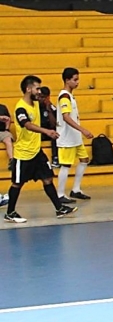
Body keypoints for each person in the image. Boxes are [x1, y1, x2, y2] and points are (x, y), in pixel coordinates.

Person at [3, 76, 77, 223]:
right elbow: (27, 124)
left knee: (48, 178)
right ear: (28, 89)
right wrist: (46, 131)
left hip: (37, 152)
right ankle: (10, 212)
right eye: (37, 88)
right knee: (17, 183)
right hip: (23, 154)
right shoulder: (21, 107)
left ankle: (59, 208)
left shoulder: (37, 103)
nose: (39, 91)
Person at [55, 68, 93, 204]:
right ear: (67, 80)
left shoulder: (70, 96)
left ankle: (76, 189)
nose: (77, 82)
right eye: (75, 79)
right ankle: (60, 194)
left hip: (75, 137)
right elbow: (66, 117)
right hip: (66, 137)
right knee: (65, 165)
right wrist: (83, 129)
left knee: (84, 159)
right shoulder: (64, 96)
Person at [36, 86, 58, 167]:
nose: (39, 99)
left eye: (42, 97)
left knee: (55, 134)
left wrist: (48, 110)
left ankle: (55, 158)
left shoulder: (52, 108)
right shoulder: (34, 107)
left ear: (47, 97)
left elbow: (54, 124)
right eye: (38, 96)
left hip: (49, 132)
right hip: (39, 131)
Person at [0, 102, 14, 169]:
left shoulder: (3, 107)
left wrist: (7, 129)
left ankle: (12, 161)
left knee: (8, 139)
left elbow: (8, 119)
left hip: (2, 131)